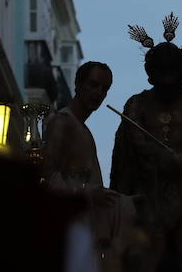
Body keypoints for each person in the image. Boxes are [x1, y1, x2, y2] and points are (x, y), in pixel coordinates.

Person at [111, 14, 182, 270]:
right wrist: (162, 157)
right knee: (149, 249)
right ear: (151, 74)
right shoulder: (137, 104)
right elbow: (136, 140)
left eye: (170, 74)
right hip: (149, 184)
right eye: (160, 74)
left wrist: (181, 156)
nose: (166, 81)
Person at [43, 61, 136, 272]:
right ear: (78, 84)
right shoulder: (62, 122)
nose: (99, 93)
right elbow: (48, 176)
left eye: (105, 89)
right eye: (93, 85)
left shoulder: (84, 130)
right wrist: (86, 193)